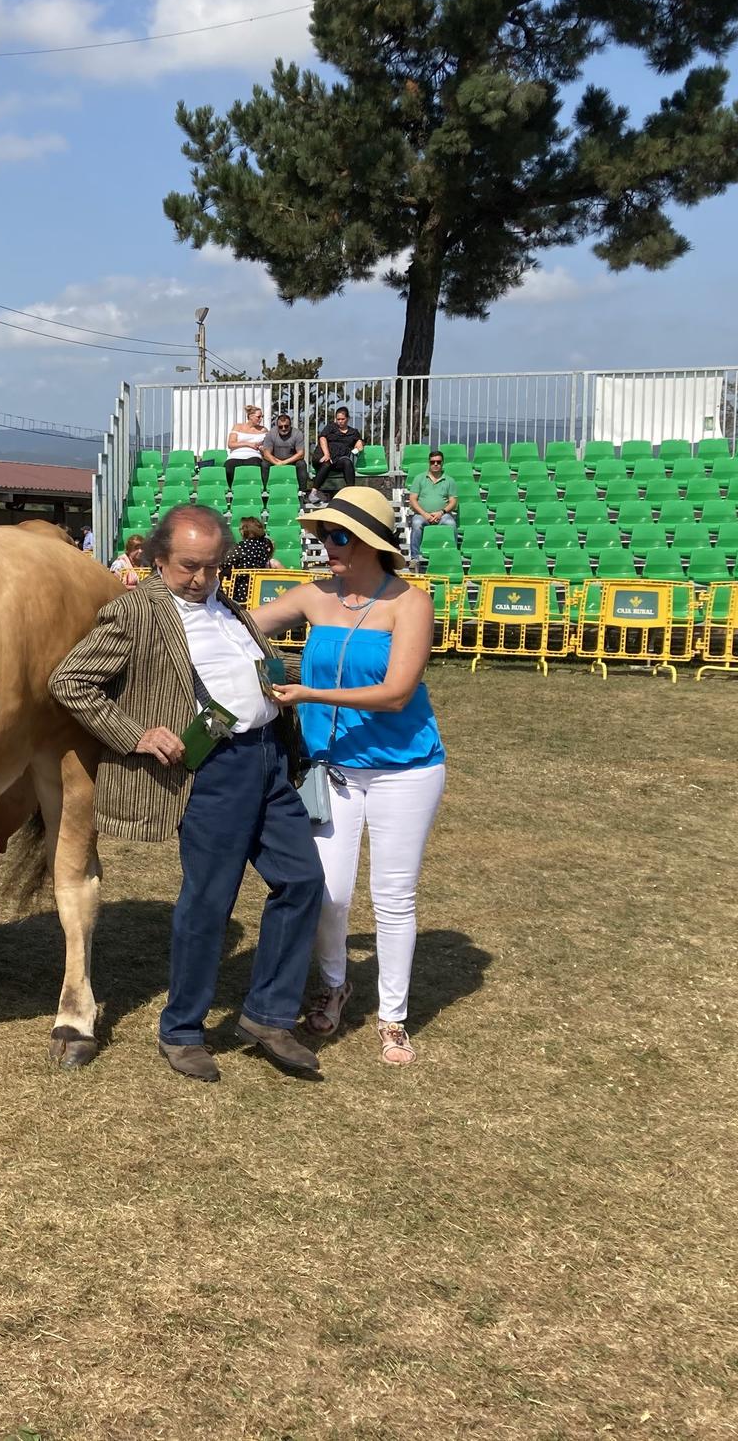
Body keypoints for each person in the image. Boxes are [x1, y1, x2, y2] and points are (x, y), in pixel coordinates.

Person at [50, 504, 322, 1082]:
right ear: (156, 557)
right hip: (211, 772)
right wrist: (137, 734)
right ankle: (182, 1029)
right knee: (210, 901)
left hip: (268, 760)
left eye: (212, 567)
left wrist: (276, 683)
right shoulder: (135, 612)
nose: (201, 578)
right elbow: (70, 681)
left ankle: (268, 1016)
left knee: (302, 881)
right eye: (189, 567)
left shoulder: (227, 609)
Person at [253, 487, 446, 1068]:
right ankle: (335, 985)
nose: (323, 546)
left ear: (368, 544)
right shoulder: (315, 595)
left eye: (336, 537)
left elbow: (395, 693)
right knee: (329, 893)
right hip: (330, 771)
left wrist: (308, 692)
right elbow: (245, 626)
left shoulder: (409, 604)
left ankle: (393, 1017)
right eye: (321, 536)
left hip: (405, 771)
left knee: (392, 897)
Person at [404, 451, 458, 564]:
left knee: (451, 524)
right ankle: (415, 558)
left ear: (443, 463)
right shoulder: (419, 478)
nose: (435, 464)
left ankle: (453, 554)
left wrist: (441, 512)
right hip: (422, 515)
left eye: (438, 462)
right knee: (416, 523)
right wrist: (425, 514)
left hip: (442, 515)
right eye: (433, 462)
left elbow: (453, 502)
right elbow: (413, 499)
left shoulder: (450, 481)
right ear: (429, 463)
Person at [311, 408, 364, 498]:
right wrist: (327, 454)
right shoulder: (331, 427)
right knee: (327, 464)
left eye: (342, 419)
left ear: (347, 419)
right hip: (323, 456)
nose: (340, 421)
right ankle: (314, 492)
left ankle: (350, 492)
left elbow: (359, 443)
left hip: (338, 460)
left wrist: (360, 443)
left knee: (347, 462)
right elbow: (322, 438)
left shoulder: (353, 432)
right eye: (338, 419)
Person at [263, 411, 308, 496]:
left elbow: (301, 454)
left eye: (286, 426)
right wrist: (277, 463)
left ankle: (303, 492)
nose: (283, 428)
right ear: (277, 426)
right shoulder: (271, 434)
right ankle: (266, 492)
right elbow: (266, 454)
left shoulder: (297, 434)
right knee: (264, 464)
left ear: (290, 425)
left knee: (302, 464)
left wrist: (284, 462)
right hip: (275, 461)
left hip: (291, 461)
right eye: (280, 427)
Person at [226, 404, 268, 485]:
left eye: (262, 416)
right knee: (228, 468)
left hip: (254, 456)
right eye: (259, 417)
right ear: (251, 416)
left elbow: (267, 445)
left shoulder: (263, 430)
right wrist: (249, 444)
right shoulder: (238, 427)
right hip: (235, 456)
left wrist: (262, 448)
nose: (261, 419)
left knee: (255, 466)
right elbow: (231, 444)